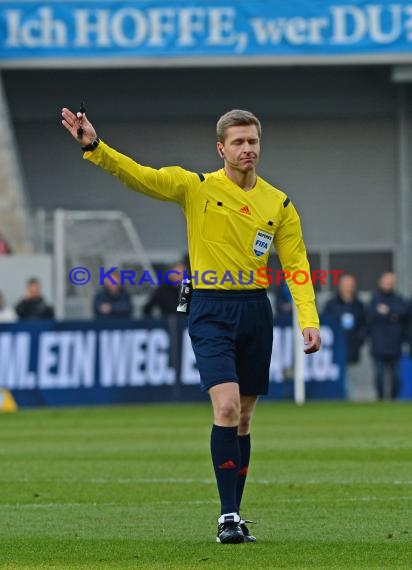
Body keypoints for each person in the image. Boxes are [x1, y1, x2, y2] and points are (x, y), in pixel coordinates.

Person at [61, 106, 321, 544]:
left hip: (256, 310)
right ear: (221, 148)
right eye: (237, 142)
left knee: (244, 419)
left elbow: (296, 264)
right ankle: (227, 517)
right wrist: (94, 147)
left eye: (252, 141)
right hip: (211, 309)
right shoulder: (195, 187)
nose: (246, 149)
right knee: (226, 408)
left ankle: (236, 515)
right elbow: (141, 176)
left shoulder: (279, 203)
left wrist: (308, 319)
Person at [323, 274, 367, 400]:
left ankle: (353, 399)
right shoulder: (331, 304)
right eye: (346, 285)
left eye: (351, 286)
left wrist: (359, 339)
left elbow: (364, 325)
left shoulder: (359, 305)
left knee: (353, 377)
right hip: (334, 349)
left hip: (353, 347)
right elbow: (326, 324)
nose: (349, 288)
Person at [368, 272, 408, 400]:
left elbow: (403, 312)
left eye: (391, 281)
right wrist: (393, 316)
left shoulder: (399, 299)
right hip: (378, 344)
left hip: (395, 344)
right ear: (380, 282)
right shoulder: (374, 299)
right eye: (387, 281)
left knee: (396, 377)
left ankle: (394, 399)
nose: (389, 284)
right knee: (379, 376)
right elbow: (373, 315)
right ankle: (380, 398)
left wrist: (388, 312)